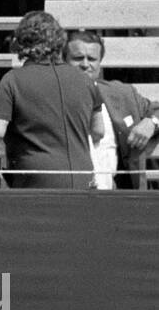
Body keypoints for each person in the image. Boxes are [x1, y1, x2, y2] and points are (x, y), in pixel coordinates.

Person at [0, 11, 105, 190]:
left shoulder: (12, 80)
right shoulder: (85, 80)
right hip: (83, 178)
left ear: (20, 42)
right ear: (59, 42)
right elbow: (98, 131)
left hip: (34, 182)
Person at [64, 30, 159, 190]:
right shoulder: (51, 97)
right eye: (78, 58)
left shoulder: (122, 94)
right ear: (64, 60)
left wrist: (152, 122)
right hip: (68, 193)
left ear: (100, 63)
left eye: (92, 59)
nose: (85, 65)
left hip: (116, 196)